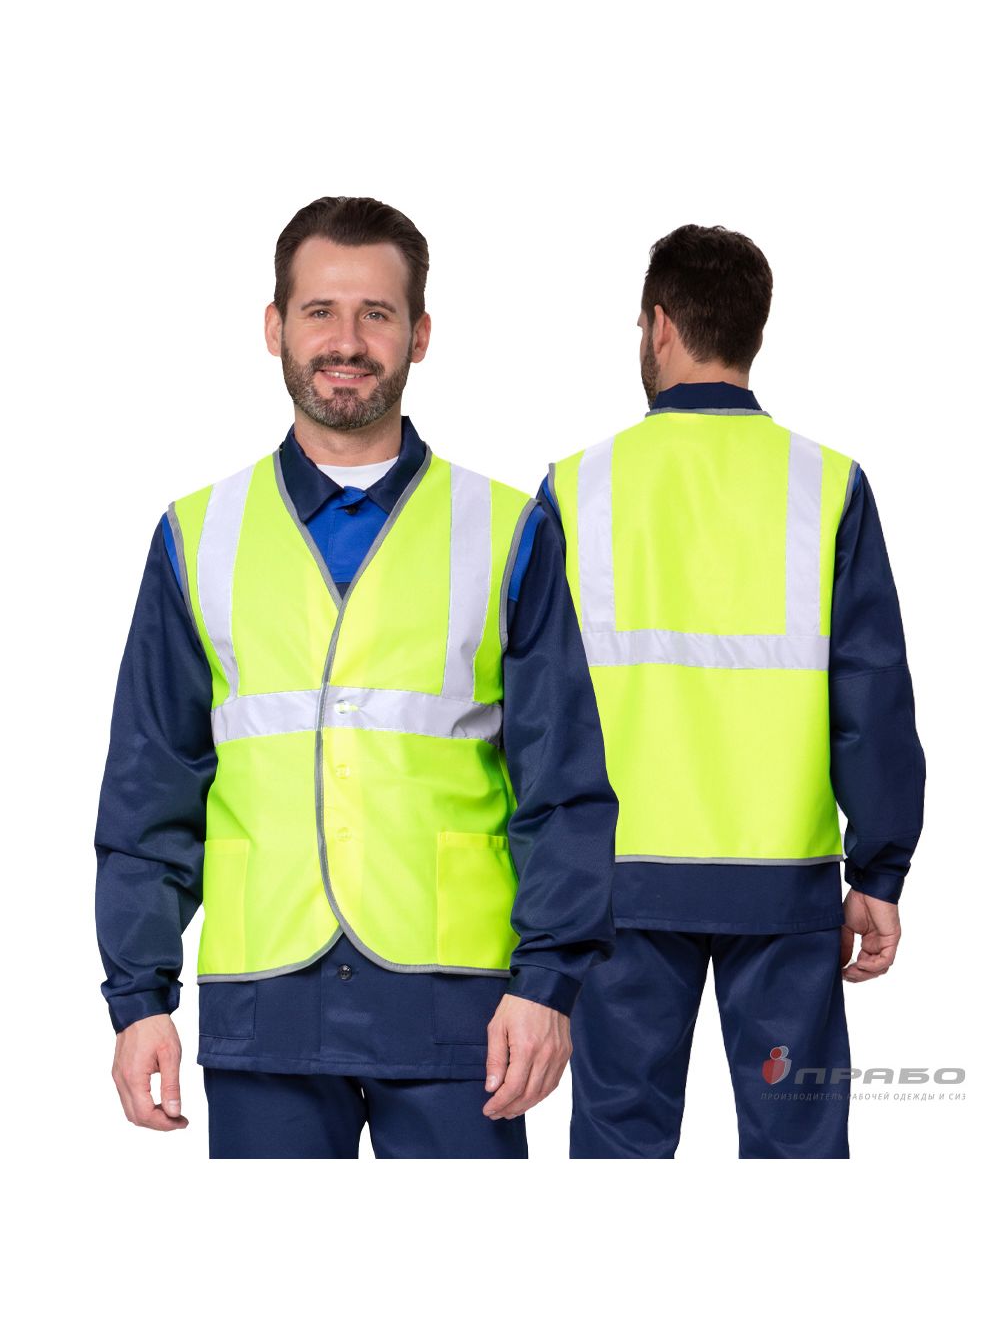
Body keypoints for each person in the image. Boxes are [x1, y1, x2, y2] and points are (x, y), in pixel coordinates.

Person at [96, 196, 617, 1159]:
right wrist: (138, 997)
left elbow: (566, 786)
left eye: (376, 313)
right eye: (319, 311)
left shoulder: (508, 528)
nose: (346, 341)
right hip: (266, 1000)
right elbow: (148, 787)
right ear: (274, 328)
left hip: (462, 1004)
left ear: (420, 334)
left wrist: (549, 984)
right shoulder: (197, 534)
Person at [540, 224, 925, 1159]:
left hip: (619, 887)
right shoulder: (827, 485)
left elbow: (535, 708)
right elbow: (872, 699)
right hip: (783, 885)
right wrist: (878, 872)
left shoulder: (575, 488)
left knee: (618, 1152)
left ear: (659, 326)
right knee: (797, 1152)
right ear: (754, 332)